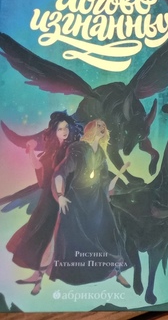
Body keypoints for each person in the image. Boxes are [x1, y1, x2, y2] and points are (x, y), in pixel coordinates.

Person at [49, 118, 132, 287]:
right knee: (76, 237)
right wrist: (60, 195)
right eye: (99, 125)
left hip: (97, 200)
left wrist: (117, 178)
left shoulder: (101, 153)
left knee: (111, 233)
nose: (103, 128)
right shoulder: (78, 148)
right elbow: (61, 172)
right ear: (91, 128)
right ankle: (76, 274)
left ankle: (117, 271)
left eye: (104, 126)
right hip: (78, 200)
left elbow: (104, 180)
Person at [7, 111, 80, 295]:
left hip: (63, 198)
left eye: (66, 127)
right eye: (60, 128)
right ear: (54, 131)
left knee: (53, 238)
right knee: (40, 235)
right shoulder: (52, 150)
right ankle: (37, 277)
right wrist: (31, 150)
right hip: (47, 199)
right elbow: (40, 171)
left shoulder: (73, 150)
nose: (64, 131)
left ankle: (39, 278)